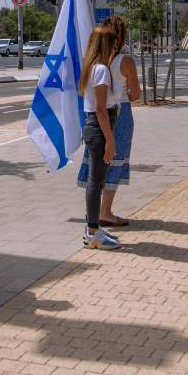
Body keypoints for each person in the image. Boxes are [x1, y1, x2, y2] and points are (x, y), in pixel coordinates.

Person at [76, 16, 140, 227]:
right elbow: (135, 95)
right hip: (117, 113)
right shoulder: (125, 61)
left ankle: (94, 217)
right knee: (114, 158)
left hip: (93, 119)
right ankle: (104, 212)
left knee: (97, 168)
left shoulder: (93, 63)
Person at [80, 22, 128, 250]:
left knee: (96, 181)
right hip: (100, 126)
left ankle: (94, 229)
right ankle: (92, 232)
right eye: (113, 43)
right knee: (96, 182)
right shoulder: (100, 69)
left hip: (100, 125)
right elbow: (100, 108)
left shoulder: (96, 67)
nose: (116, 47)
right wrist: (110, 139)